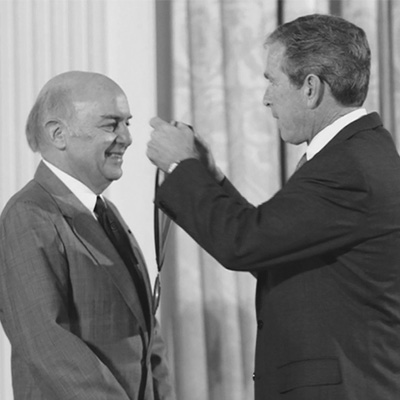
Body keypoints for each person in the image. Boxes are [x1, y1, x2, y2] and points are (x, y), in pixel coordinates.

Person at [147, 14, 400, 400]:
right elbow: (270, 243)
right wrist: (211, 177)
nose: (266, 98)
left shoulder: (347, 168)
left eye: (272, 81)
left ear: (311, 88)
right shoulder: (356, 154)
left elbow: (244, 242)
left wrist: (181, 167)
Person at [0, 71, 175, 400]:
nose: (127, 137)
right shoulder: (29, 214)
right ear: (58, 134)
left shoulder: (107, 214)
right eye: (111, 124)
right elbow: (48, 346)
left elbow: (148, 334)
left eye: (127, 123)